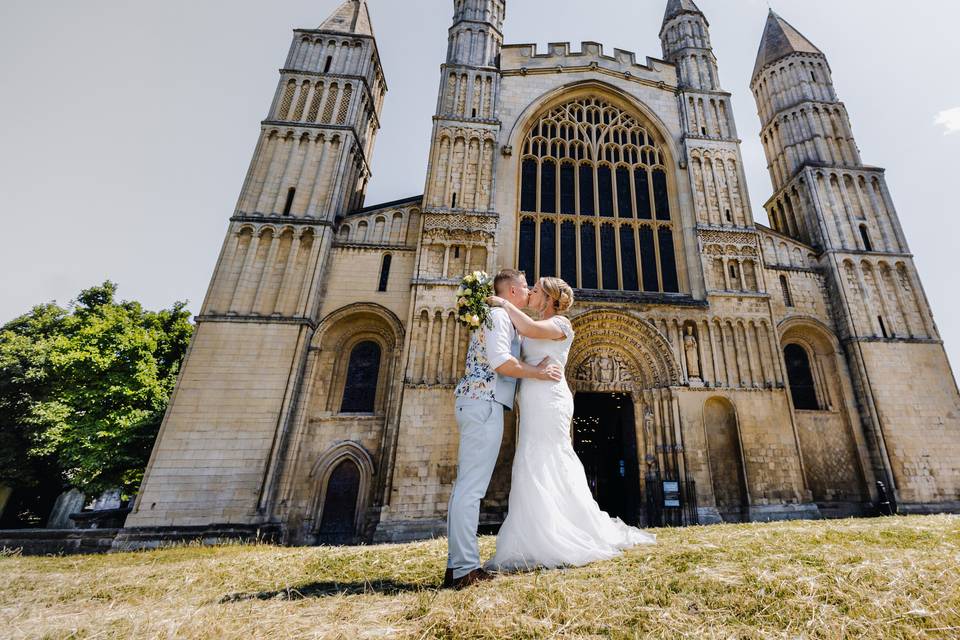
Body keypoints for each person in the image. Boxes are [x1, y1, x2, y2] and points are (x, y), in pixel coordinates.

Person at [484, 276, 656, 572]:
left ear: (549, 298)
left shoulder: (561, 324)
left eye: (536, 290)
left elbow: (529, 328)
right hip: (533, 397)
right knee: (530, 458)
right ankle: (535, 534)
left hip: (550, 397)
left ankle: (565, 531)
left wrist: (501, 302)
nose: (531, 293)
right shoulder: (531, 321)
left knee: (551, 456)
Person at [444, 269, 564, 590]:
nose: (528, 292)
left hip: (481, 402)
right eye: (525, 288)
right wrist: (537, 372)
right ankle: (466, 570)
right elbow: (500, 361)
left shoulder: (502, 318)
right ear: (512, 291)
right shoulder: (498, 317)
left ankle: (456, 565)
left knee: (466, 488)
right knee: (471, 490)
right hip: (484, 403)